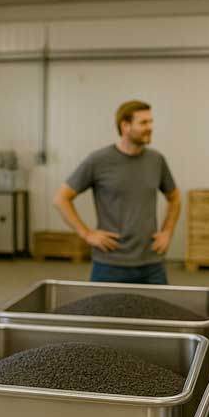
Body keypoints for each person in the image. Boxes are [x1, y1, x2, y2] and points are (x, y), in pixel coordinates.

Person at [52, 100, 181, 284]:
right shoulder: (98, 160)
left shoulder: (156, 160)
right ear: (125, 126)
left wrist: (167, 232)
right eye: (143, 123)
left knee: (158, 313)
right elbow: (61, 199)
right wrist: (87, 234)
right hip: (109, 265)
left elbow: (174, 198)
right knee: (104, 313)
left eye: (151, 122)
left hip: (152, 265)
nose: (150, 127)